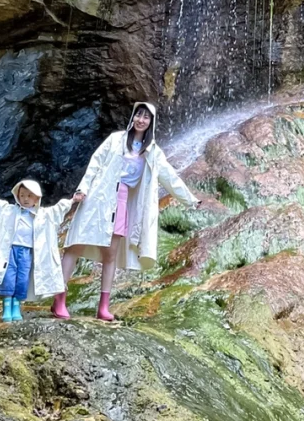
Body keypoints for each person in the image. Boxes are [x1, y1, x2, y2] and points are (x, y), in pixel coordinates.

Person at [52, 102, 199, 322]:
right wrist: (82, 189)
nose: (141, 120)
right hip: (98, 198)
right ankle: (59, 300)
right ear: (133, 117)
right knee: (75, 245)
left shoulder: (153, 152)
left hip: (122, 201)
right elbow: (95, 163)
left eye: (146, 117)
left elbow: (170, 177)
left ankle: (103, 307)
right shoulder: (116, 139)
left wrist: (191, 200)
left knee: (110, 254)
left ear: (151, 122)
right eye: (138, 115)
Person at [0, 179, 76, 322]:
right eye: (22, 195)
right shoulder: (9, 210)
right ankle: (7, 306)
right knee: (8, 277)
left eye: (29, 196)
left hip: (26, 252)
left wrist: (73, 200)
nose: (25, 199)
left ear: (37, 198)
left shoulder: (43, 215)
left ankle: (16, 306)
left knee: (23, 278)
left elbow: (58, 209)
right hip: (9, 251)